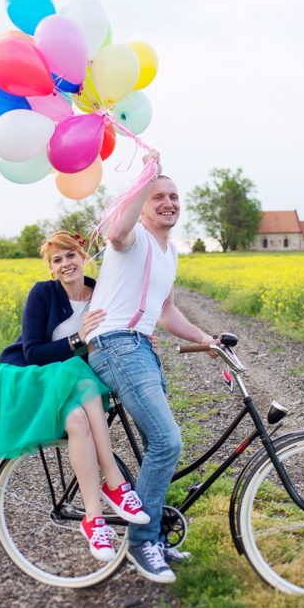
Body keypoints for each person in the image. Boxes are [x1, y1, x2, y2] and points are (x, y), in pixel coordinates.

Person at [0, 230, 149, 560]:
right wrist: (77, 339)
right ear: (51, 269)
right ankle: (114, 481)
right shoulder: (43, 293)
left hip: (71, 386)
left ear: (83, 256)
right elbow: (33, 352)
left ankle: (94, 521)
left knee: (79, 422)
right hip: (30, 377)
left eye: (70, 255)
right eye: (57, 260)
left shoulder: (100, 292)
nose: (65, 263)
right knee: (79, 373)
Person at [84, 153, 215, 583]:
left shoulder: (170, 252)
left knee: (155, 448)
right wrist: (144, 175)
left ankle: (152, 534)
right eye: (159, 196)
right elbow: (118, 231)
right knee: (166, 441)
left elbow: (168, 313)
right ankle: (142, 544)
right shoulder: (133, 236)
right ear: (143, 204)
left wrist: (205, 339)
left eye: (174, 196)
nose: (168, 203)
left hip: (142, 347)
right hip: (115, 343)